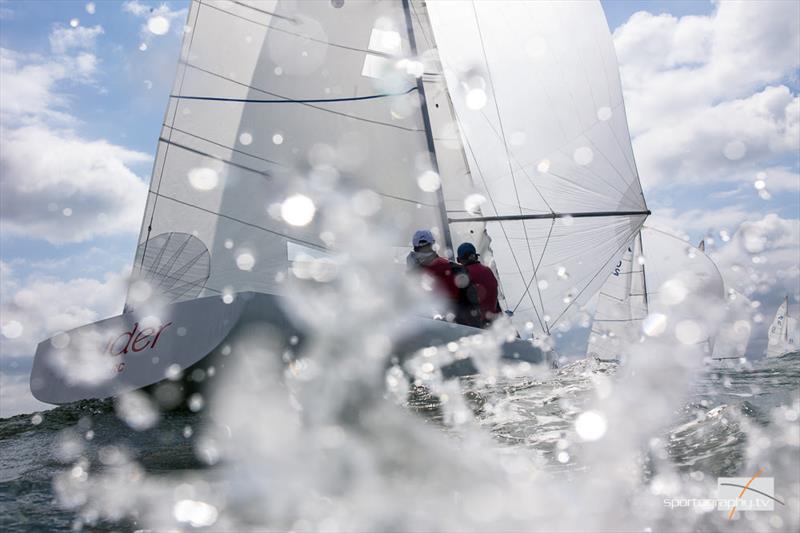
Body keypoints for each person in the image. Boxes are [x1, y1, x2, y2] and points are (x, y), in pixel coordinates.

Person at [406, 230, 483, 328]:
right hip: (455, 328)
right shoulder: (454, 268)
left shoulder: (410, 277)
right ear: (433, 245)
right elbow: (472, 303)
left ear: (415, 248)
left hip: (424, 329)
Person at [456, 242, 501, 327]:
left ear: (459, 260)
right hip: (496, 323)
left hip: (478, 327)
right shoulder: (488, 270)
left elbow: (460, 303)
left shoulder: (464, 274)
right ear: (475, 256)